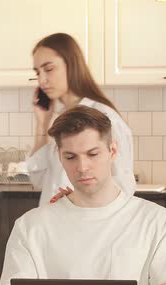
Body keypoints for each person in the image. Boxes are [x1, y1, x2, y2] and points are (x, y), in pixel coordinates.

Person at [0, 106, 166, 285]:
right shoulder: (30, 225)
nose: (82, 167)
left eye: (93, 154)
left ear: (113, 151)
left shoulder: (156, 220)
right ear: (59, 156)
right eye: (71, 157)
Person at [27, 32, 136, 205]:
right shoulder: (60, 120)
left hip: (88, 227)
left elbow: (123, 188)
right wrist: (42, 124)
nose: (42, 80)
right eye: (37, 72)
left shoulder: (105, 118)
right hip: (55, 223)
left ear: (72, 65)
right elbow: (38, 180)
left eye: (48, 69)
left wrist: (77, 201)